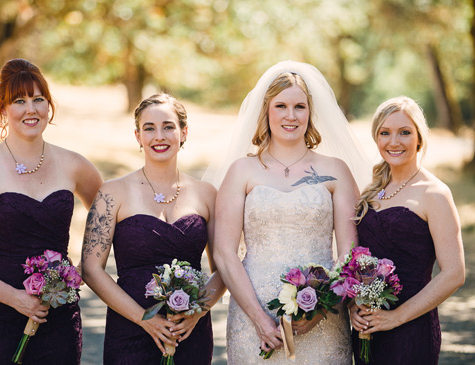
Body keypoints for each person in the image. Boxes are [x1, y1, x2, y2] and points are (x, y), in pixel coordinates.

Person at [0, 58, 102, 363]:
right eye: (19, 101)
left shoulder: (75, 165)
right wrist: (14, 298)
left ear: (49, 106)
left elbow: (112, 220)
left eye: (39, 99)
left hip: (57, 320)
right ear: (2, 108)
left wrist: (81, 270)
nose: (31, 109)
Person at [206, 61, 370, 363]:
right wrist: (260, 319)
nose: (291, 116)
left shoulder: (335, 171)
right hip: (251, 315)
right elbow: (225, 253)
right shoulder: (242, 171)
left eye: (300, 106)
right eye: (281, 106)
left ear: (310, 112)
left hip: (324, 318)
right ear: (266, 111)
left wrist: (321, 310)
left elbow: (349, 256)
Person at [82, 93, 225, 364]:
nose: (159, 136)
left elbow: (224, 266)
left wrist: (198, 312)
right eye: (149, 128)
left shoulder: (207, 194)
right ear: (138, 136)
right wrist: (145, 320)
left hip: (188, 330)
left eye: (168, 127)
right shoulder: (112, 192)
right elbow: (91, 269)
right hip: (129, 328)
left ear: (183, 133)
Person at [348, 97, 464, 364]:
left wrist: (396, 317)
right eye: (385, 133)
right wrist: (354, 306)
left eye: (405, 132)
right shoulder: (371, 191)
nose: (394, 142)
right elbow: (356, 261)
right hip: (368, 328)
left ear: (419, 138)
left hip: (412, 329)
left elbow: (455, 273)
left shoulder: (434, 193)